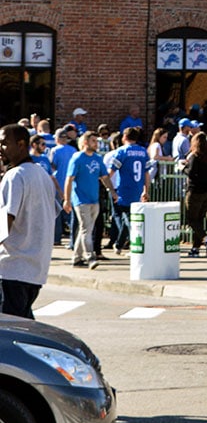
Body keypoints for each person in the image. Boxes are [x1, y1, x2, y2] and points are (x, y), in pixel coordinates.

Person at [0, 123, 57, 317]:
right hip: (35, 271)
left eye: (4, 144)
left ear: (22, 144)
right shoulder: (42, 175)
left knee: (8, 336)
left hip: (10, 270)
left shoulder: (14, 176)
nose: (0, 149)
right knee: (22, 332)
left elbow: (4, 223)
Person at [64, 130, 113, 268]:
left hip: (94, 198)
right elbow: (69, 179)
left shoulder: (97, 159)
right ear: (85, 142)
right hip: (80, 199)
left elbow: (104, 177)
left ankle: (76, 258)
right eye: (93, 141)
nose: (96, 144)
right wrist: (67, 199)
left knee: (85, 229)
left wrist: (112, 192)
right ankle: (90, 257)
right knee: (86, 228)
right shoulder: (77, 158)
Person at [110, 127, 151, 250]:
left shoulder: (121, 151)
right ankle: (119, 244)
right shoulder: (143, 152)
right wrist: (146, 190)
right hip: (137, 188)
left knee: (127, 217)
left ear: (124, 137)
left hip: (124, 188)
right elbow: (146, 173)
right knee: (128, 216)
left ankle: (134, 241)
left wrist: (105, 183)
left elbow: (111, 171)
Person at [182, 130, 207, 257]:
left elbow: (191, 173)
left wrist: (183, 168)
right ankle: (195, 248)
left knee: (191, 219)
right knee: (200, 219)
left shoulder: (195, 156)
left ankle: (206, 239)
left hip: (195, 191)